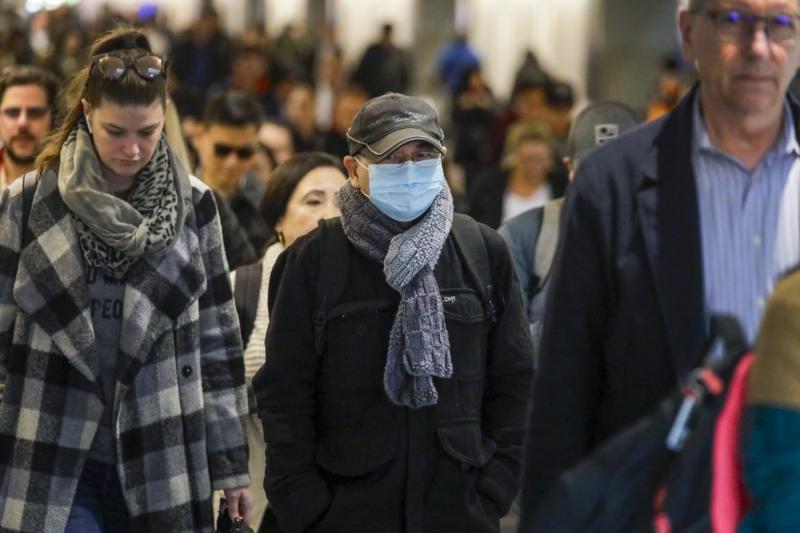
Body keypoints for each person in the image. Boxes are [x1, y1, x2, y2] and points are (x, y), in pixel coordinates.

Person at [519, 0, 800, 523]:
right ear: (688, 33)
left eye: (781, 23)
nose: (759, 46)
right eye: (733, 20)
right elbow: (564, 401)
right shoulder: (612, 186)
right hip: (657, 509)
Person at [0, 28, 251, 531]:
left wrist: (231, 466)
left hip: (162, 448)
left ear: (165, 117)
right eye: (115, 131)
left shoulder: (194, 205)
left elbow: (218, 343)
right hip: (50, 447)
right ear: (87, 113)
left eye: (148, 132)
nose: (132, 149)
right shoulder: (27, 203)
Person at [253, 92, 533, 533]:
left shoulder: (481, 251)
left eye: (422, 156)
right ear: (353, 169)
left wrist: (494, 489)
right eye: (391, 159)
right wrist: (307, 507)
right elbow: (284, 396)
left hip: (458, 510)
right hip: (346, 513)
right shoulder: (314, 261)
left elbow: (514, 382)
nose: (409, 170)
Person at [231, 152, 345, 530]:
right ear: (278, 218)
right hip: (254, 496)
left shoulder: (368, 290)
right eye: (314, 201)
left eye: (343, 201)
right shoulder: (240, 289)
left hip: (341, 499)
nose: (331, 214)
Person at [498, 101, 639, 359]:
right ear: (568, 168)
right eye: (591, 168)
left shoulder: (666, 237)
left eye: (620, 168)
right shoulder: (525, 235)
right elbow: (505, 342)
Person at [195, 90, 270, 269]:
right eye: (222, 150)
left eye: (244, 152)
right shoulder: (177, 189)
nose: (232, 162)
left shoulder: (266, 205)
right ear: (200, 138)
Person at [469, 120, 564, 229]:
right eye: (528, 159)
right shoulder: (489, 186)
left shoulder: (562, 186)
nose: (534, 168)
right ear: (514, 156)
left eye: (539, 160)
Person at [0, 65, 58, 189]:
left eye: (35, 113)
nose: (23, 123)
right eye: (12, 112)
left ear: (53, 118)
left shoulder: (73, 184)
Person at [351, 24, 411, 98]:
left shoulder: (396, 54)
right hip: (373, 94)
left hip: (392, 95)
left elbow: (404, 75)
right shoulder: (373, 51)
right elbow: (362, 71)